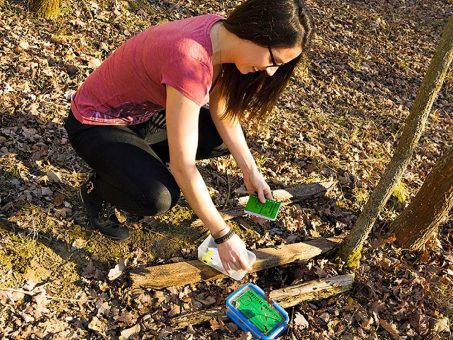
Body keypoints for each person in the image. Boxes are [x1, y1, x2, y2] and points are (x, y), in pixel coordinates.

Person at [64, 0, 314, 275]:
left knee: (219, 139)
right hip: (95, 122)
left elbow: (223, 114)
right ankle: (97, 189)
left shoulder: (221, 36)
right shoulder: (191, 59)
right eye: (273, 60)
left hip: (142, 116)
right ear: (256, 32)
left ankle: (133, 165)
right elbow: (184, 167)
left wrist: (250, 171)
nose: (270, 72)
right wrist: (223, 235)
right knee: (158, 197)